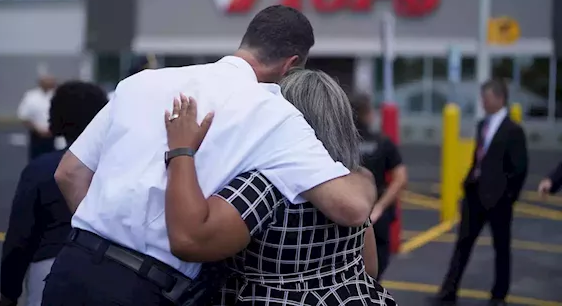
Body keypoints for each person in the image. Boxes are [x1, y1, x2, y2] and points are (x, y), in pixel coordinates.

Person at [43, 5, 377, 305]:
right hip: (146, 287)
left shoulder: (141, 82)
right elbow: (351, 208)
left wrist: (104, 241)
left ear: (246, 41)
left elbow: (69, 173)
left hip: (71, 266)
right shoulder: (273, 115)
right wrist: (363, 175)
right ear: (290, 66)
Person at [162, 70, 396, 305]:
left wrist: (181, 152)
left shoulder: (265, 185)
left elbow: (191, 240)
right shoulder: (349, 181)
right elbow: (369, 267)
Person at [0, 81, 108, 306]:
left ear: (56, 118)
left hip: (51, 271)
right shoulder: (119, 167)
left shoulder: (41, 169)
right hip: (113, 272)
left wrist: (8, 293)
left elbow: (19, 238)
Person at [430, 79, 528, 306]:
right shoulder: (482, 124)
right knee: (462, 246)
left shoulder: (513, 130)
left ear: (500, 98)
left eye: (486, 97)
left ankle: (498, 296)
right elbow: (479, 158)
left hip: (499, 201)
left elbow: (520, 168)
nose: (483, 102)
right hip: (475, 196)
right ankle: (448, 293)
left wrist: (508, 197)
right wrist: (467, 185)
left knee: (501, 249)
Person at [351, 93, 408, 281]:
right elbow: (401, 178)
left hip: (346, 211)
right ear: (369, 114)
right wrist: (380, 207)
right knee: (375, 271)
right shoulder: (383, 142)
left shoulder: (340, 143)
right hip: (376, 215)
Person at [17, 75, 59, 161]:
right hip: (36, 134)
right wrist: (37, 129)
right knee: (36, 159)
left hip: (54, 133)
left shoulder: (57, 96)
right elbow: (24, 116)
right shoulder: (31, 96)